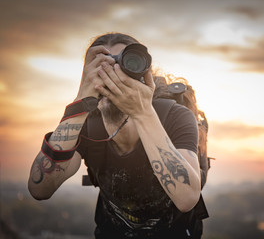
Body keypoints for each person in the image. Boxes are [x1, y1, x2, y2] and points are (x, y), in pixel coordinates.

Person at [28, 33, 206, 238]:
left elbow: (187, 199)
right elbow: (39, 189)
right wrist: (81, 99)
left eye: (122, 64)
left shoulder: (174, 116)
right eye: (102, 66)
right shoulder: (86, 125)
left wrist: (142, 112)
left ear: (142, 73)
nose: (113, 75)